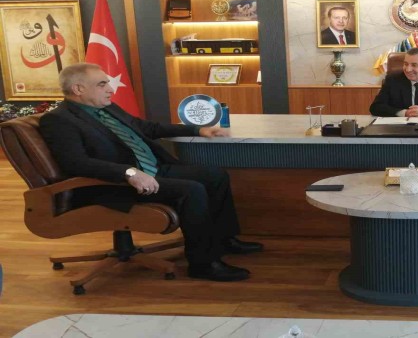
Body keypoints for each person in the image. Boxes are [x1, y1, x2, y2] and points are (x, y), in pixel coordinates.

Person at [39, 63, 263, 282]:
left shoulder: (106, 108)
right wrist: (129, 173)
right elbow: (76, 163)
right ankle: (203, 263)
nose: (111, 89)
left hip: (150, 169)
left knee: (215, 175)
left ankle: (223, 240)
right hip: (113, 185)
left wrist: (197, 129)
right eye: (102, 84)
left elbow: (147, 128)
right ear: (78, 89)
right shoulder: (59, 120)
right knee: (192, 190)